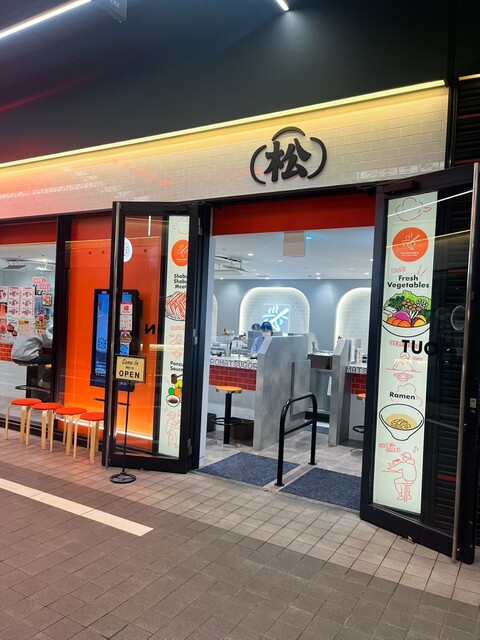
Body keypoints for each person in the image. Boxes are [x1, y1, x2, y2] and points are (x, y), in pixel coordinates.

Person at [11, 324, 53, 389]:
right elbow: (49, 341)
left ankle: (34, 380)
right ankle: (44, 380)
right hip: (28, 357)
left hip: (14, 356)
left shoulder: (26, 326)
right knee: (54, 359)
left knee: (36, 357)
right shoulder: (40, 327)